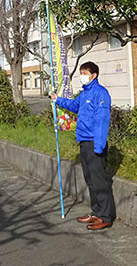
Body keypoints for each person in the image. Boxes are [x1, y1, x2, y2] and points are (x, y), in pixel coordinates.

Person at [51, 61, 116, 230]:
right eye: (81, 73)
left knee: (100, 181)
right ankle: (96, 212)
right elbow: (73, 106)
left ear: (93, 75)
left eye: (85, 73)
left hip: (95, 143)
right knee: (90, 180)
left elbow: (102, 121)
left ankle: (105, 216)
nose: (82, 76)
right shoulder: (84, 93)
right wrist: (58, 100)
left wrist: (99, 147)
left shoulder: (101, 94)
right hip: (84, 142)